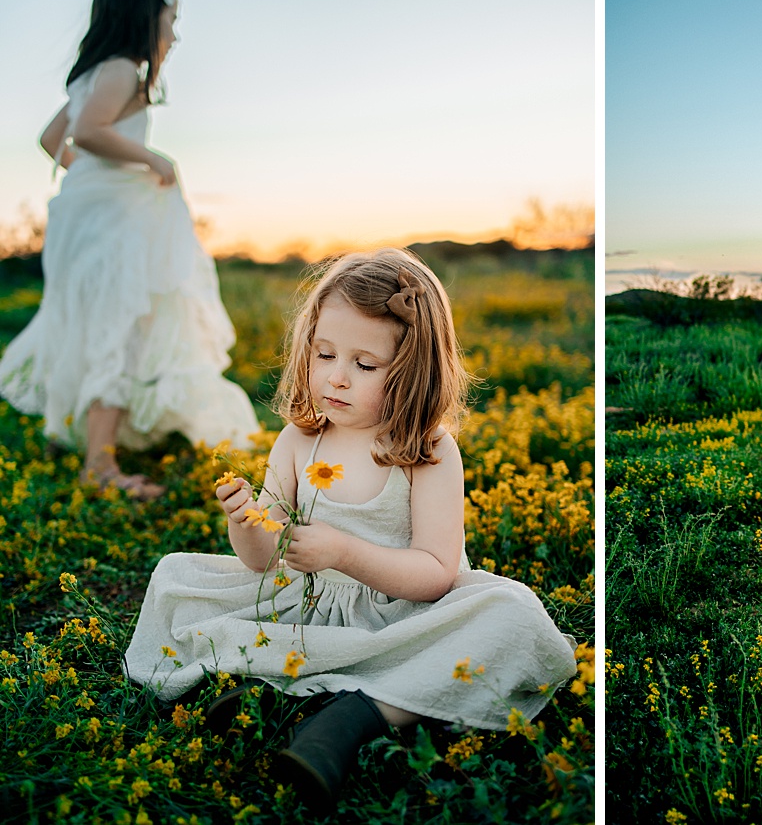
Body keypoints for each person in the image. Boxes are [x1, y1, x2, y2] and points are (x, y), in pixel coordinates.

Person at [124, 248, 578, 813]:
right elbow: (263, 561)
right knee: (176, 574)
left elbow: (437, 574)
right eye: (324, 354)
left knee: (514, 615)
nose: (336, 377)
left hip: (405, 613)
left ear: (412, 370)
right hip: (308, 605)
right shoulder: (298, 440)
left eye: (365, 365)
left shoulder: (428, 449)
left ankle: (353, 716)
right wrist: (245, 523)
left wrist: (343, 551)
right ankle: (277, 698)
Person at [0, 0, 258, 499]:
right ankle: (100, 465)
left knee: (104, 322)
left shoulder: (92, 72)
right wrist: (151, 160)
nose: (175, 33)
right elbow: (89, 133)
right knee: (121, 324)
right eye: (171, 19)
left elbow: (55, 140)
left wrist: (97, 182)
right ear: (145, 17)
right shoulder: (121, 68)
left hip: (92, 221)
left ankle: (95, 443)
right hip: (115, 227)